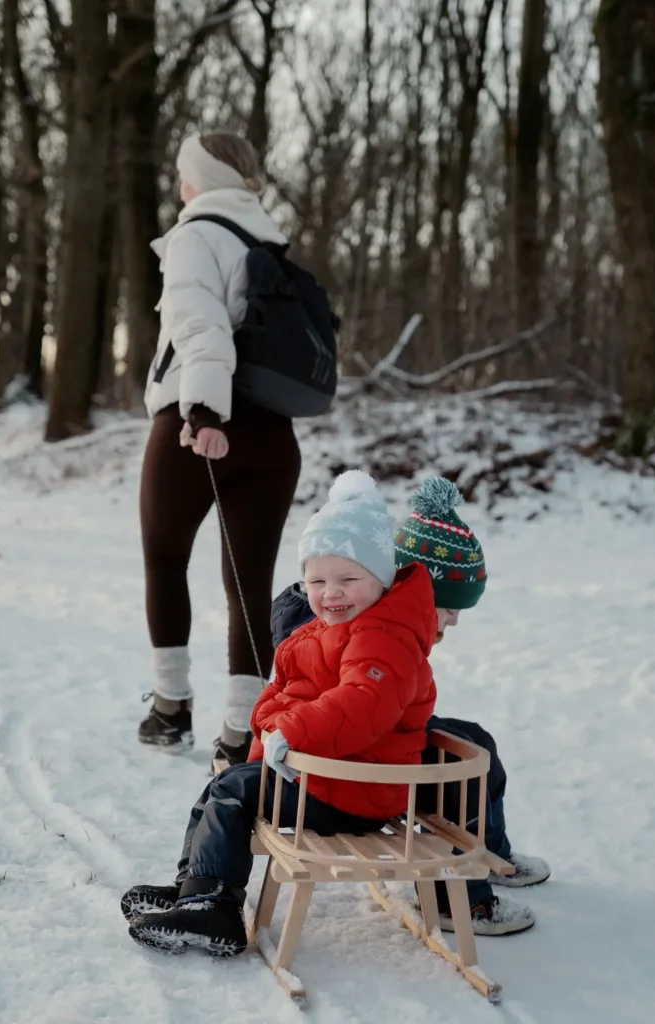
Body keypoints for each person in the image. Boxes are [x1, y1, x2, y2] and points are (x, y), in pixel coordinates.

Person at [121, 470, 440, 956]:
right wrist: (274, 717)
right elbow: (288, 690)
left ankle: (216, 911)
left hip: (359, 788)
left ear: (381, 579)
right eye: (316, 581)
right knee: (222, 786)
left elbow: (361, 706)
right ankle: (197, 889)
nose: (330, 593)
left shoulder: (384, 638)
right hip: (332, 775)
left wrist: (288, 726)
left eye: (347, 579)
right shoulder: (338, 628)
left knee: (233, 790)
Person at [270, 477, 549, 935]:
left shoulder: (368, 607)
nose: (454, 621)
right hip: (347, 757)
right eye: (449, 607)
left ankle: (491, 851)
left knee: (476, 741)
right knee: (462, 766)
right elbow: (343, 697)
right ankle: (460, 898)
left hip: (369, 736)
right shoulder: (340, 614)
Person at [138, 131, 301, 764]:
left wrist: (203, 410)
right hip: (274, 433)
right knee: (248, 585)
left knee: (164, 558)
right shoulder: (267, 242)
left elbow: (200, 324)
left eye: (183, 173)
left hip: (200, 423)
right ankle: (242, 735)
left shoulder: (193, 236)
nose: (179, 184)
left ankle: (170, 706)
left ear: (198, 180)